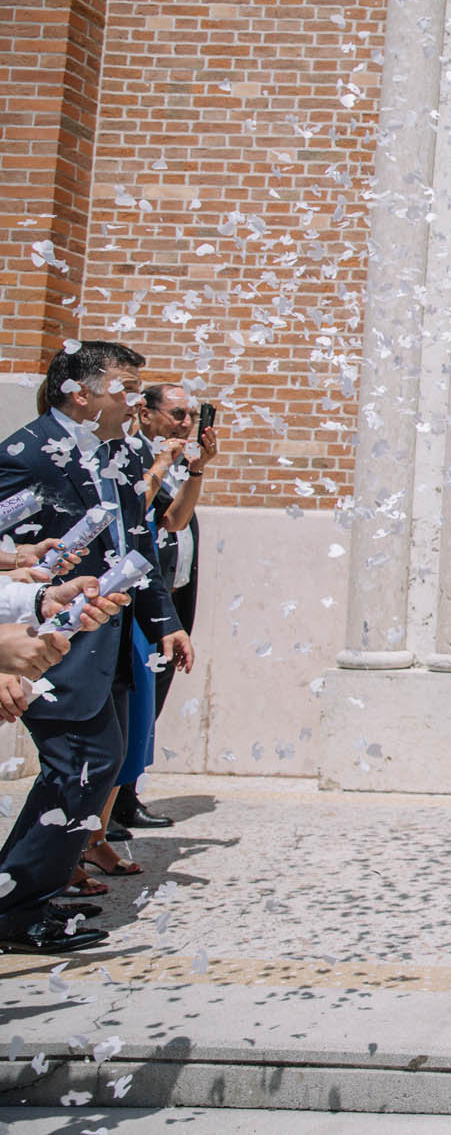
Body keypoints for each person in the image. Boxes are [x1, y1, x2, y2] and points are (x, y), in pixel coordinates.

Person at [0, 340, 192, 952]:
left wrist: (164, 620)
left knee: (95, 760)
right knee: (84, 760)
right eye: (126, 387)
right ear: (80, 393)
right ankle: (16, 904)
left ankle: (28, 895)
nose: (136, 400)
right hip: (45, 642)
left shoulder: (117, 452)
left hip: (105, 632)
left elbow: (134, 539)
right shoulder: (26, 455)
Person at [112, 382, 217, 835]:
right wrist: (162, 464)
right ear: (145, 412)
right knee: (129, 708)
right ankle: (107, 810)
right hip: (135, 604)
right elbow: (136, 512)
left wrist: (196, 471)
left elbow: (175, 519)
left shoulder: (169, 463)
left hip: (169, 598)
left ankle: (123, 798)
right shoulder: (129, 456)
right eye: (177, 414)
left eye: (191, 416)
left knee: (147, 707)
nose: (186, 423)